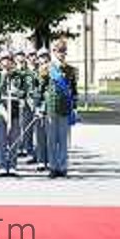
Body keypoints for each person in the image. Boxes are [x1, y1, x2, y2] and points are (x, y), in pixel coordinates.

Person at [40, 39, 78, 178]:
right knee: (51, 140)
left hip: (65, 108)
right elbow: (41, 89)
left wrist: (74, 107)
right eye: (58, 51)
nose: (61, 54)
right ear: (53, 52)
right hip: (51, 107)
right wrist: (40, 106)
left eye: (63, 52)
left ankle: (62, 167)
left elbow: (73, 90)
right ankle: (53, 167)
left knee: (63, 140)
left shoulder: (70, 70)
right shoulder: (46, 69)